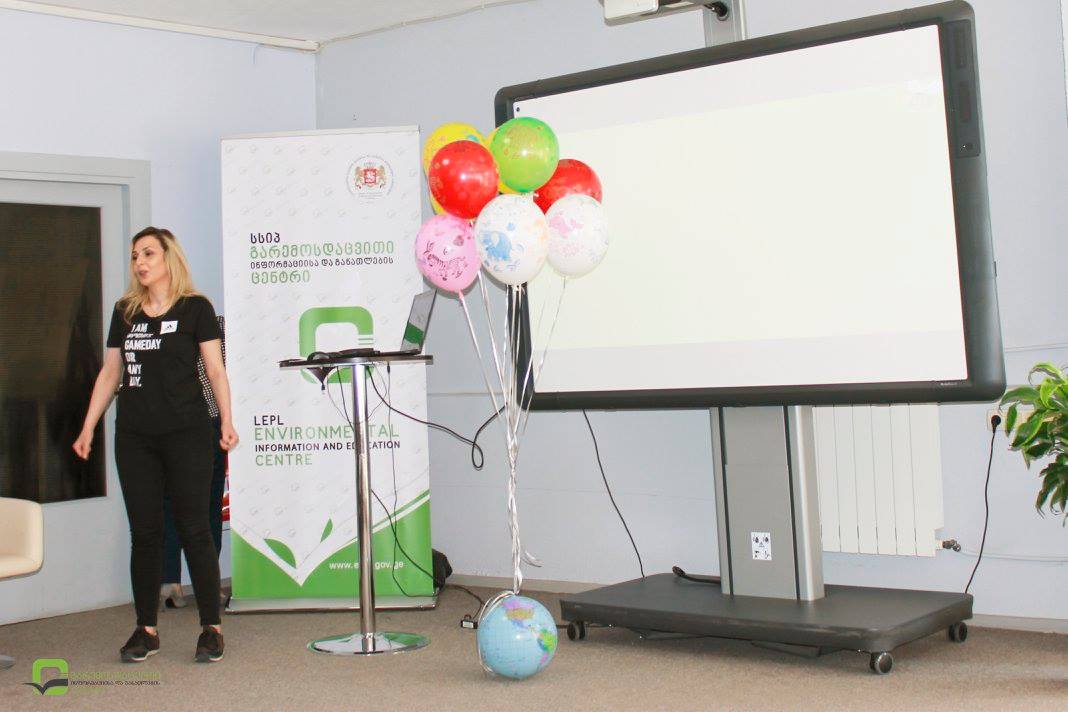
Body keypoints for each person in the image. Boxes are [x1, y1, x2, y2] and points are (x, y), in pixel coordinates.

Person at [73, 226, 238, 663]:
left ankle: (211, 628)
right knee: (145, 533)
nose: (140, 262)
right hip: (135, 438)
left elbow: (215, 370)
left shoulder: (196, 308)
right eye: (135, 256)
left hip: (188, 434)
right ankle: (145, 629)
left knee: (195, 528)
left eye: (148, 253)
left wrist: (226, 420)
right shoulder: (125, 312)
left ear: (169, 258)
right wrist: (88, 427)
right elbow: (111, 373)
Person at [160, 316, 227, 611]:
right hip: (204, 419)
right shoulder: (214, 323)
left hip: (168, 421)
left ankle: (169, 581)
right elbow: (219, 373)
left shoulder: (145, 324)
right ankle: (205, 584)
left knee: (171, 502)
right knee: (207, 504)